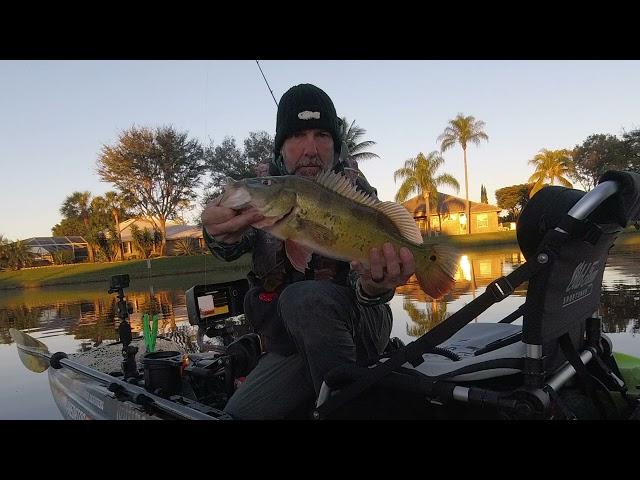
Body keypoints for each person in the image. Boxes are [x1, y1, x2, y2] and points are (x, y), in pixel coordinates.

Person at [201, 83, 415, 419]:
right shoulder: (265, 191)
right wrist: (216, 233)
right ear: (281, 147)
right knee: (237, 415)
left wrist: (376, 285)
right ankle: (334, 385)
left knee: (303, 298)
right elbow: (227, 247)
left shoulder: (353, 189)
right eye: (298, 135)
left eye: (321, 135)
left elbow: (373, 290)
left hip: (361, 324)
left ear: (336, 144)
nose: (311, 148)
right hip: (289, 343)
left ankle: (347, 405)